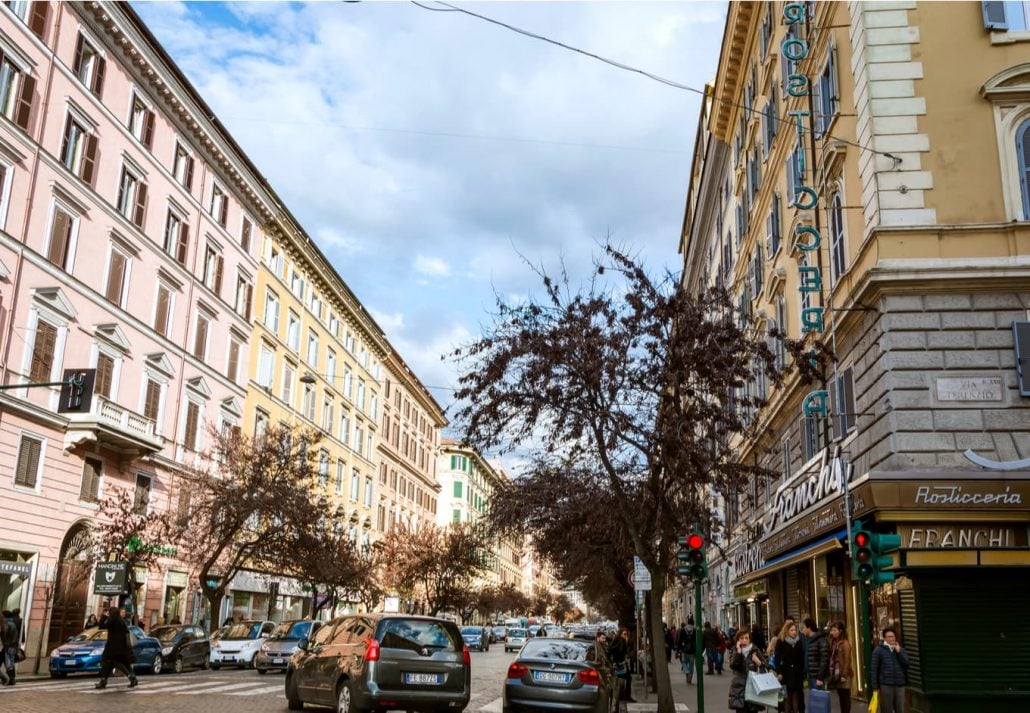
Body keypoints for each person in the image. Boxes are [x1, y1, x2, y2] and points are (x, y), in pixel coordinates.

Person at [94, 607, 138, 689]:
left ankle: (103, 681)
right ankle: (132, 678)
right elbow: (126, 632)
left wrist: (104, 616)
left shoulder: (112, 620)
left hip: (111, 647)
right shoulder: (122, 621)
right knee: (124, 663)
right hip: (122, 647)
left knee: (106, 662)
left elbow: (101, 626)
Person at [871, 627, 909, 713]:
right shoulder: (879, 650)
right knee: (886, 709)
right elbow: (874, 669)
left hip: (899, 684)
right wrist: (875, 687)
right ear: (884, 638)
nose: (892, 638)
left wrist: (899, 652)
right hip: (886, 685)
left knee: (900, 709)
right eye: (889, 637)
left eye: (893, 636)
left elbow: (906, 664)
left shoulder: (900, 649)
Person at [728, 630, 767, 712]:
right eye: (742, 638)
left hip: (754, 687)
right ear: (738, 640)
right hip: (739, 689)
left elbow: (766, 668)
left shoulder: (755, 650)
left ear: (750, 639)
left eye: (746, 638)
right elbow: (733, 666)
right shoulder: (734, 650)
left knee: (753, 710)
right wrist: (738, 653)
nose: (744, 640)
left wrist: (759, 662)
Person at [774, 621, 806, 713]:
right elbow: (776, 659)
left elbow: (801, 658)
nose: (794, 632)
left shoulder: (799, 642)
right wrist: (779, 672)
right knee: (786, 699)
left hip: (797, 675)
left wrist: (802, 672)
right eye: (791, 630)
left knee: (796, 698)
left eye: (795, 630)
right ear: (786, 631)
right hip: (785, 674)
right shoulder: (781, 642)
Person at [828, 621, 853, 713]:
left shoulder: (845, 643)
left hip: (844, 674)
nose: (832, 632)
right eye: (832, 630)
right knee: (841, 696)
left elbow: (847, 660)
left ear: (840, 631)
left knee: (845, 696)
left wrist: (844, 675)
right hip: (836, 673)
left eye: (835, 630)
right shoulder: (833, 642)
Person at [802, 618, 830, 695]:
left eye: (804, 627)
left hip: (817, 677)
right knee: (814, 701)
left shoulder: (821, 640)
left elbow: (824, 659)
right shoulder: (808, 640)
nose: (803, 630)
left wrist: (820, 677)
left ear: (809, 628)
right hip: (811, 676)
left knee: (820, 701)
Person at [609, 627, 634, 702]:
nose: (626, 636)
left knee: (619, 679)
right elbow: (621, 651)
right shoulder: (622, 641)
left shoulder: (616, 640)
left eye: (627, 634)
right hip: (620, 663)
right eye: (624, 634)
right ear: (620, 634)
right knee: (627, 678)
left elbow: (612, 650)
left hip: (617, 663)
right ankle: (626, 696)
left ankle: (621, 695)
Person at [0, 611, 17, 686]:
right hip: (11, 646)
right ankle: (11, 679)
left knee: (9, 663)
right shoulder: (12, 623)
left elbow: (4, 635)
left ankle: (9, 679)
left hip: (7, 646)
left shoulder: (7, 624)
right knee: (9, 663)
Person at [678, 617, 697, 684]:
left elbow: (679, 640)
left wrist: (678, 649)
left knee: (684, 663)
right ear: (693, 623)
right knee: (691, 665)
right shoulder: (694, 630)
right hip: (692, 650)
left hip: (684, 650)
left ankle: (687, 673)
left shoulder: (683, 630)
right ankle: (690, 678)